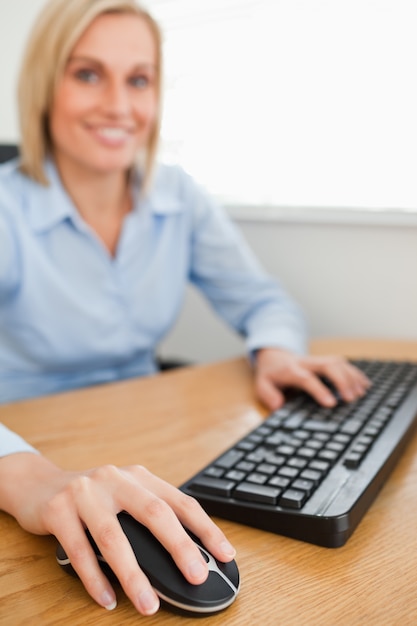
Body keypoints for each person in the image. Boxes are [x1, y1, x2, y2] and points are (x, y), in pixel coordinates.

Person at [0, 0, 370, 617]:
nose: (119, 105)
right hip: (32, 442)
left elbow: (261, 298)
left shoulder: (177, 194)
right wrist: (28, 478)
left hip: (151, 440)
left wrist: (275, 348)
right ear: (45, 85)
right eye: (88, 73)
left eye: (138, 79)